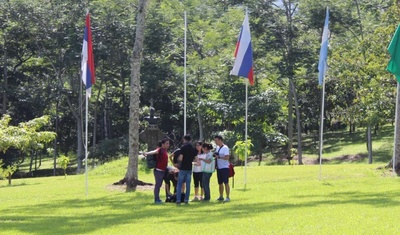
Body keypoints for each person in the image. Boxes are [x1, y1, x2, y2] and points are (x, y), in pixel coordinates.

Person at [143, 138, 170, 204]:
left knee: (166, 183)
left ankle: (168, 197)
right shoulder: (160, 150)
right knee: (158, 185)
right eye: (166, 143)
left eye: (168, 144)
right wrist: (147, 153)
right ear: (163, 144)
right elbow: (154, 151)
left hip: (164, 170)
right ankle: (157, 199)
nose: (168, 145)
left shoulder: (165, 151)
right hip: (158, 171)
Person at [176, 134, 197, 204]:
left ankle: (178, 200)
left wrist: (178, 159)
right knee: (188, 185)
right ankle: (186, 200)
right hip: (189, 168)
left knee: (179, 184)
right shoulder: (193, 148)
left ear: (184, 139)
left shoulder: (183, 147)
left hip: (183, 168)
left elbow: (181, 158)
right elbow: (196, 159)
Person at [214, 135, 231, 202]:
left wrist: (219, 157)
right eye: (215, 140)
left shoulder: (225, 148)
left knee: (226, 182)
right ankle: (221, 196)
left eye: (216, 140)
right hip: (219, 167)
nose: (215, 142)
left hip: (224, 167)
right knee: (220, 183)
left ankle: (227, 197)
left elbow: (227, 157)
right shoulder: (217, 147)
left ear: (220, 140)